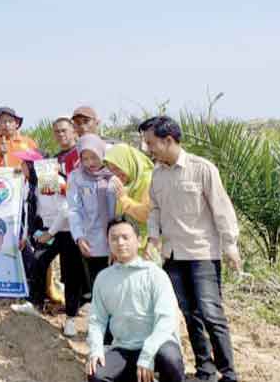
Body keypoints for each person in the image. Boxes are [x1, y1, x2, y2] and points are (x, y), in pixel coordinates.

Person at [142, 116, 241, 382]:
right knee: (190, 314)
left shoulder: (202, 169)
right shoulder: (157, 175)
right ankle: (205, 370)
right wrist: (152, 237)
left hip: (202, 253)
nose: (147, 148)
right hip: (172, 255)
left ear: (168, 140)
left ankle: (229, 374)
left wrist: (230, 245)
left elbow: (221, 208)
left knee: (211, 314)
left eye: (150, 143)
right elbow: (155, 210)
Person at [86, 218, 184, 382]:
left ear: (138, 241)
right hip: (124, 348)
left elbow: (166, 320)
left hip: (157, 346)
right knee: (96, 373)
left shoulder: (155, 274)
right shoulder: (103, 278)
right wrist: (96, 349)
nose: (120, 243)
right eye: (114, 238)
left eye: (125, 237)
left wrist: (148, 354)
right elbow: (97, 320)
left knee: (170, 358)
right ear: (108, 243)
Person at [10, 149, 83, 321]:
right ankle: (35, 303)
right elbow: (30, 210)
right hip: (48, 229)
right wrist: (25, 237)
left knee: (70, 274)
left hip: (67, 231)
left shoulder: (50, 178)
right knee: (38, 261)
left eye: (24, 163)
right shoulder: (29, 184)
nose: (21, 166)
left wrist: (50, 234)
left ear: (33, 166)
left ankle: (71, 317)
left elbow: (65, 210)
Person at [67, 134, 117, 337]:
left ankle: (118, 333)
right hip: (92, 242)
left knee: (117, 289)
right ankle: (103, 335)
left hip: (119, 241)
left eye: (94, 157)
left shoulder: (115, 174)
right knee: (99, 288)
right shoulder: (76, 177)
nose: (90, 163)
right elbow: (74, 210)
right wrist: (79, 237)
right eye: (85, 158)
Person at [103, 143, 153, 245]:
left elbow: (147, 214)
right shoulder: (129, 182)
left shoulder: (149, 180)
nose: (116, 174)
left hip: (145, 246)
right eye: (111, 170)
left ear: (128, 163)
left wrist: (124, 199)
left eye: (117, 168)